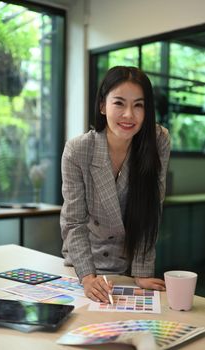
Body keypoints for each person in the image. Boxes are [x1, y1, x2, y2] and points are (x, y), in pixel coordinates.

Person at [60, 66, 170, 303]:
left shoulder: (158, 140)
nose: (129, 115)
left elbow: (151, 208)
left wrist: (141, 272)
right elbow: (74, 222)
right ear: (102, 106)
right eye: (119, 103)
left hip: (127, 266)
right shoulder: (79, 149)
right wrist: (88, 278)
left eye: (138, 105)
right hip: (83, 265)